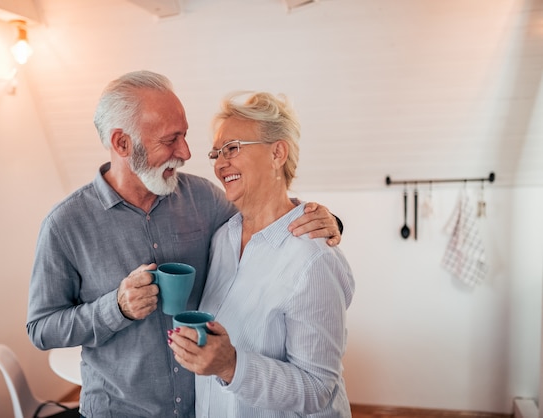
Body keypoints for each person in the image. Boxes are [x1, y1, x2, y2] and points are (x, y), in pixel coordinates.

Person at [26, 71, 343, 417]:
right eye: (170, 139)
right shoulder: (65, 225)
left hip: (203, 407)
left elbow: (267, 222)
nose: (187, 152)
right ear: (122, 144)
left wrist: (325, 220)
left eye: (186, 136)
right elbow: (41, 329)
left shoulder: (204, 199)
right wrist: (115, 308)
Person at [168, 91, 355, 417]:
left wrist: (232, 366)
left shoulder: (314, 259)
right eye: (216, 153)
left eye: (232, 148)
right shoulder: (223, 238)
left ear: (277, 153)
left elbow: (317, 390)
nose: (220, 163)